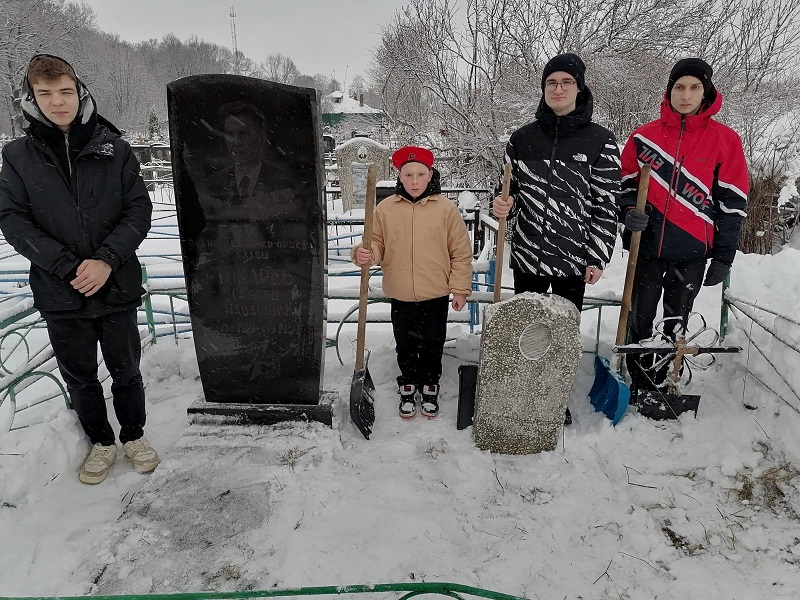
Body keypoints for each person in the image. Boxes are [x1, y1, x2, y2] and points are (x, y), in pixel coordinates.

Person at [0, 54, 156, 484]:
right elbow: (13, 219)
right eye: (45, 94)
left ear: (80, 92)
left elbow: (138, 211)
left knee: (126, 369)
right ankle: (101, 442)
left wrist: (106, 259)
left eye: (65, 92)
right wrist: (69, 267)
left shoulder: (115, 149)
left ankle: (134, 435)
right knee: (80, 374)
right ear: (31, 99)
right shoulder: (17, 156)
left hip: (115, 282)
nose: (58, 102)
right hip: (60, 289)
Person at [491, 53, 620, 424]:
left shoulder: (600, 141)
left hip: (572, 257)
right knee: (525, 329)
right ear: (544, 89)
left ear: (579, 88)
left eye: (566, 82)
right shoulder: (522, 139)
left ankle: (552, 396)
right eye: (551, 83)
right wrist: (503, 206)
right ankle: (525, 390)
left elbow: (606, 203)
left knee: (561, 332)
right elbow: (504, 194)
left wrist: (597, 255)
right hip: (530, 253)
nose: (558, 89)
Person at [619, 58, 748, 393]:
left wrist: (724, 256)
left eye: (694, 87)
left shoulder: (725, 140)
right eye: (679, 87)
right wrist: (628, 212)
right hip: (646, 247)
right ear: (669, 91)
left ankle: (665, 381)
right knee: (640, 317)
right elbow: (622, 187)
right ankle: (638, 380)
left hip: (692, 251)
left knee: (676, 321)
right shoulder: (643, 138)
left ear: (706, 92)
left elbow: (732, 204)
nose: (686, 94)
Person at [353, 146, 474, 418]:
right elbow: (376, 242)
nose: (415, 181)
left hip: (436, 291)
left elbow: (460, 252)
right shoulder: (385, 209)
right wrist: (367, 252)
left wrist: (460, 288)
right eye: (409, 175)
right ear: (400, 176)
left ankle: (430, 384)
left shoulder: (446, 209)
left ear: (431, 174)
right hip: (401, 291)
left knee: (433, 342)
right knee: (404, 342)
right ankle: (407, 383)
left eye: (421, 174)